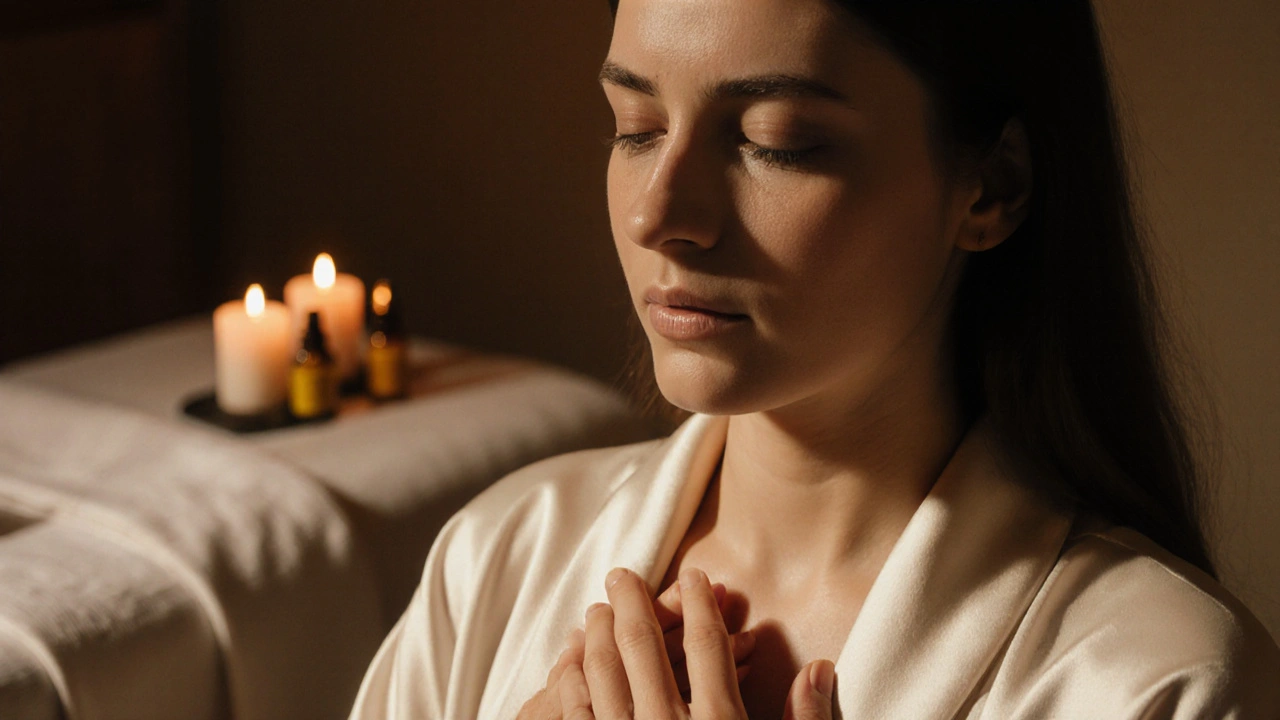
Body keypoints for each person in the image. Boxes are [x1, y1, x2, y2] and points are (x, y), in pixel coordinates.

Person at [348, 0, 1280, 717]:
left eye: (773, 144)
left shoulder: (1160, 681)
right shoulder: (498, 557)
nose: (657, 213)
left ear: (989, 187)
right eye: (634, 126)